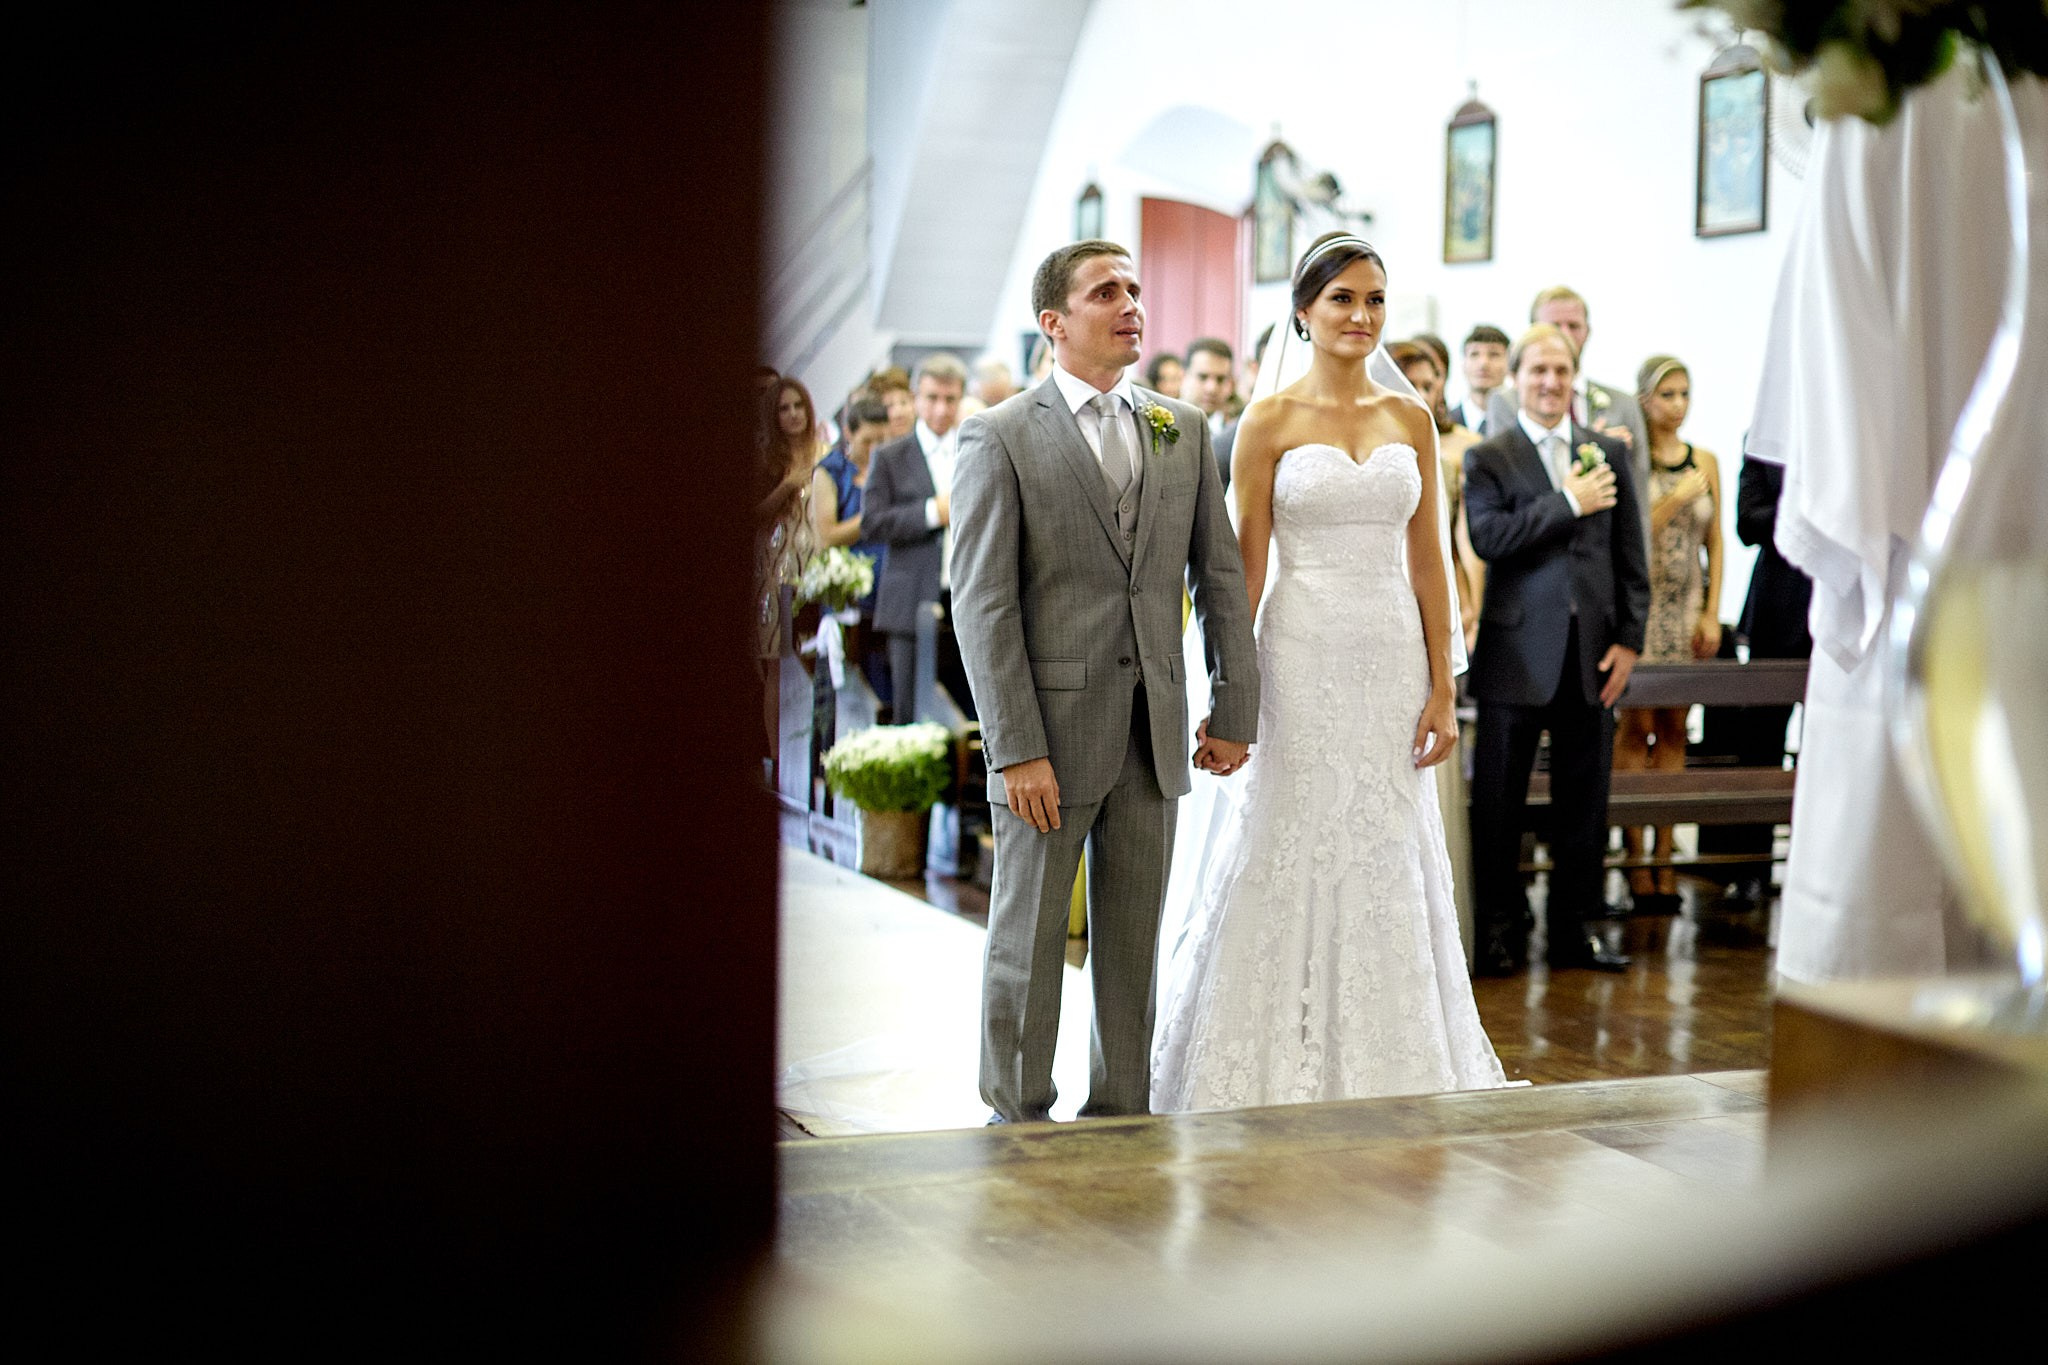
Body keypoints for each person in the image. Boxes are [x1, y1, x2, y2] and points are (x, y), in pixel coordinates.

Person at [1151, 233, 1507, 1112]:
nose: (1361, 316)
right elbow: (1243, 569)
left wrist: (1441, 685)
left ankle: (1397, 1050)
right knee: (1290, 835)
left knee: (1387, 843)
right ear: (1303, 311)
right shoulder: (1267, 422)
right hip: (1298, 652)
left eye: (1375, 300)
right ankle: (1268, 1048)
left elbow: (1428, 563)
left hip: (1390, 655)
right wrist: (1231, 690)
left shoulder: (1410, 420)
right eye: (1343, 299)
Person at [951, 239, 1259, 1125]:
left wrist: (1233, 705)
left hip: (1153, 732)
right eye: (1105, 291)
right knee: (1029, 936)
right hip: (1046, 737)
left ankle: (1122, 1111)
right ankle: (1017, 1114)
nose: (1131, 303)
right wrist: (1015, 748)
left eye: (1134, 287)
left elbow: (1221, 578)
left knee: (1132, 943)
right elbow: (984, 605)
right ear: (1054, 323)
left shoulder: (1182, 428)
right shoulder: (1001, 434)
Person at [1464, 323, 1649, 976]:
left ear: (1575, 378)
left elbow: (1632, 554)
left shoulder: (1608, 451)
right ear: (1516, 378)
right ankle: (1496, 930)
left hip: (1592, 655)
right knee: (1498, 808)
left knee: (1584, 802)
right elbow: (1491, 537)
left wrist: (1630, 640)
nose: (1549, 382)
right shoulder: (1490, 456)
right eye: (1537, 370)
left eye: (1561, 371)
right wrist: (1569, 501)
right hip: (1515, 654)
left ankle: (1575, 930)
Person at [1611, 356, 1724, 913]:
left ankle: (1664, 855)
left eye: (1685, 393)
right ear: (1644, 400)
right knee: (1635, 729)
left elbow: (1717, 543)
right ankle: (1633, 856)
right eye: (1667, 395)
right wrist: (1674, 499)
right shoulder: (1632, 457)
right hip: (1640, 605)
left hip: (1686, 608)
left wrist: (1711, 612)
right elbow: (1630, 528)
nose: (1677, 405)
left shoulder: (1705, 460)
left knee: (1676, 729)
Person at [1486, 287, 1650, 544]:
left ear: (1588, 331)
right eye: (1554, 325)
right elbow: (1507, 484)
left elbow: (1640, 496)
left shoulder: (1624, 405)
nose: (1565, 335)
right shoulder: (1506, 402)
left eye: (1574, 325)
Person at [864, 353, 971, 723]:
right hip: (910, 596)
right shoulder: (891, 456)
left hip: (966, 596)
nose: (941, 408)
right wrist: (930, 513)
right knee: (909, 712)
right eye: (932, 398)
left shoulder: (974, 448)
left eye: (950, 399)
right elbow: (873, 523)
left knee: (969, 712)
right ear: (916, 398)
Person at [1453, 324, 1510, 434]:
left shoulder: (1519, 421)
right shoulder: (1445, 423)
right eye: (1474, 354)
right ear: (1463, 364)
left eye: (1494, 354)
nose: (1483, 363)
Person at [1184, 337, 1235, 438]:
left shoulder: (1236, 435)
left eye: (1220, 379)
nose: (1211, 388)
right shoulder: (1161, 426)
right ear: (1184, 375)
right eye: (1203, 377)